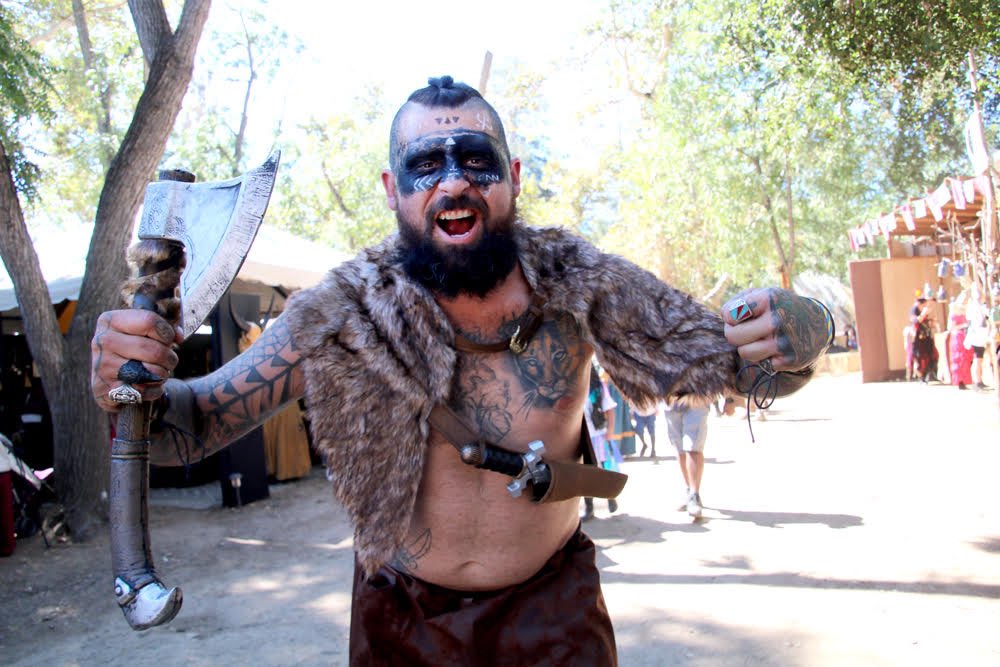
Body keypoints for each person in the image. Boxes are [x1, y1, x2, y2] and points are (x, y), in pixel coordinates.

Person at [91, 76, 834, 665]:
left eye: (476, 160)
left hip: (554, 618)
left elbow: (750, 368)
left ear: (513, 176)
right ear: (393, 190)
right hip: (400, 623)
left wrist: (805, 329)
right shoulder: (342, 311)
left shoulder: (583, 285)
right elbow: (187, 432)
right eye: (426, 166)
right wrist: (127, 387)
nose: (453, 183)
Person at [582, 364, 619, 520]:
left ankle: (610, 497)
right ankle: (589, 507)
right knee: (585, 473)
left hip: (598, 435)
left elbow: (610, 410)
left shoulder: (598, 388)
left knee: (605, 468)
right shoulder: (572, 389)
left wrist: (610, 431)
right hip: (581, 437)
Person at [664, 400, 710, 519]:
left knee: (693, 446)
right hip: (671, 400)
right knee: (680, 449)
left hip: (697, 399)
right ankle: (690, 491)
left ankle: (694, 494)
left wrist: (729, 399)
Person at [965, 293, 991, 390]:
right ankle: (977, 381)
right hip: (977, 336)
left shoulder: (977, 307)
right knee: (978, 359)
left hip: (980, 336)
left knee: (979, 359)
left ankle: (979, 380)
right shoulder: (975, 307)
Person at [910, 297, 939, 383]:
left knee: (933, 355)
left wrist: (933, 322)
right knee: (920, 358)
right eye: (924, 304)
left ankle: (932, 374)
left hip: (927, 337)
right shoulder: (914, 312)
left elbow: (929, 324)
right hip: (919, 340)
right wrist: (923, 314)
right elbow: (916, 322)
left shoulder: (926, 312)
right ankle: (921, 377)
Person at [947, 304, 973, 390]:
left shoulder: (963, 315)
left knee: (965, 360)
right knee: (959, 359)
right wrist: (963, 325)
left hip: (963, 337)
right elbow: (952, 327)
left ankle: (964, 381)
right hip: (957, 338)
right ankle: (960, 381)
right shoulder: (953, 316)